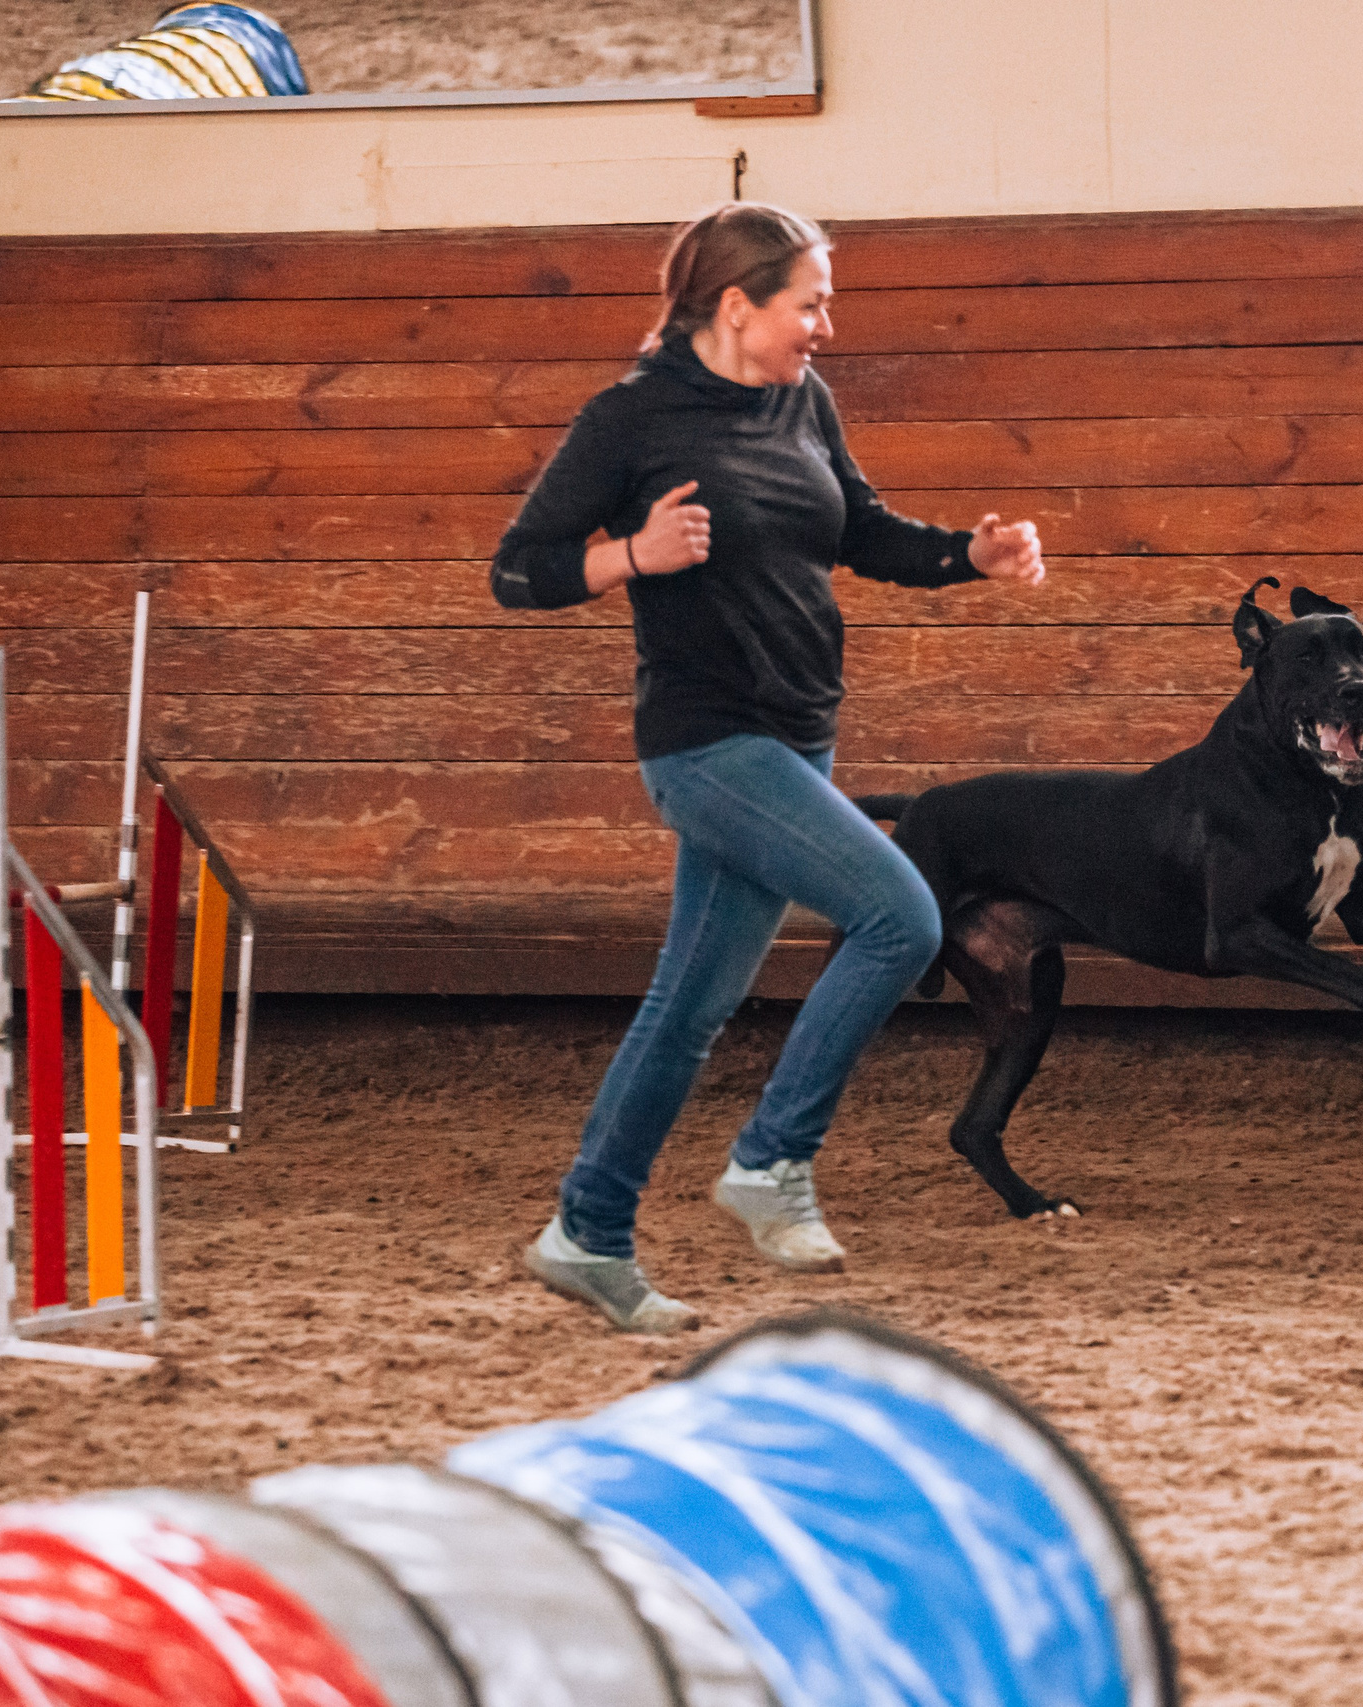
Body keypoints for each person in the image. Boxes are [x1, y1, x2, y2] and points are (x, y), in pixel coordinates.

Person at [490, 202, 1044, 1333]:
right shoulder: (632, 420)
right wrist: (628, 556)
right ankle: (770, 1161)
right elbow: (517, 570)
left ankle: (586, 1232)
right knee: (902, 916)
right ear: (737, 307)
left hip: (799, 734)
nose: (825, 326)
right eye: (810, 304)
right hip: (706, 744)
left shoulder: (802, 399)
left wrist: (967, 556)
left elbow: (862, 531)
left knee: (690, 1006)